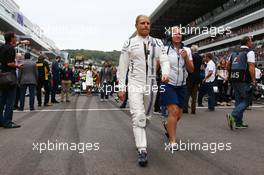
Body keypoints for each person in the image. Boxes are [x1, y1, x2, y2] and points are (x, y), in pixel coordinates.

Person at [118, 15, 170, 167]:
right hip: (135, 83)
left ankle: (141, 129)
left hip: (152, 83)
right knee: (138, 116)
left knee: (147, 117)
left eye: (148, 23)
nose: (146, 25)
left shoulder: (158, 42)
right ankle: (142, 149)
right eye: (142, 23)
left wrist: (165, 72)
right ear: (136, 25)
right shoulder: (129, 43)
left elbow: (165, 60)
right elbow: (123, 66)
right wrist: (122, 87)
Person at [161, 26, 194, 148]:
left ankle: (167, 124)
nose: (178, 35)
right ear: (171, 36)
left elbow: (191, 69)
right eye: (175, 34)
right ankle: (172, 141)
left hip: (182, 85)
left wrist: (185, 58)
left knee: (178, 115)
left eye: (180, 34)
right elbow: (157, 65)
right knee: (173, 112)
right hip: (168, 84)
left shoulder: (187, 50)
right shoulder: (164, 49)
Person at [227, 36, 256, 130]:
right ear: (248, 42)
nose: (252, 43)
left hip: (234, 78)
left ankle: (239, 123)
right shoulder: (249, 52)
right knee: (247, 100)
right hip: (244, 79)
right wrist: (254, 80)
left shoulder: (233, 53)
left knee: (238, 100)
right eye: (251, 41)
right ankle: (233, 115)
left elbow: (228, 65)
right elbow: (251, 67)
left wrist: (230, 75)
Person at [0, 32, 23, 128]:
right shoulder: (11, 49)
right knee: (10, 100)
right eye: (15, 37)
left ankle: (1, 120)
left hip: (2, 77)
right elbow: (10, 63)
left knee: (2, 99)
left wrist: (21, 42)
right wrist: (18, 66)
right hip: (10, 77)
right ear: (11, 38)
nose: (16, 38)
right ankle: (8, 122)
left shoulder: (2, 47)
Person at [183, 44, 202, 114]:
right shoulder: (200, 57)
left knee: (187, 93)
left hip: (190, 75)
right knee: (194, 94)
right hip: (197, 76)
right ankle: (193, 109)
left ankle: (185, 108)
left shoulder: (191, 57)